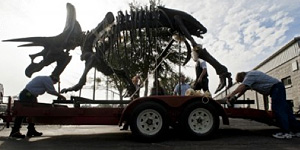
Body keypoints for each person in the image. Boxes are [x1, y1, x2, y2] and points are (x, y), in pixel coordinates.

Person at [226, 71, 300, 139]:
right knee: (286, 111)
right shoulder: (251, 77)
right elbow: (244, 89)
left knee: (279, 110)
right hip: (277, 88)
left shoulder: (250, 76)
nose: (241, 82)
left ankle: (286, 133)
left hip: (276, 89)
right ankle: (296, 131)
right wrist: (236, 97)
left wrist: (231, 94)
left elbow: (242, 86)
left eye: (241, 81)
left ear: (242, 77)